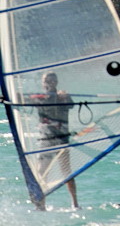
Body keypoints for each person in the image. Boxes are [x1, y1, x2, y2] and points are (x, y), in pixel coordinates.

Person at [29, 71, 79, 210]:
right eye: (46, 81)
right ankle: (41, 204)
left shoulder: (63, 96)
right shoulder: (40, 98)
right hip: (45, 140)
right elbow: (26, 100)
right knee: (41, 172)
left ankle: (75, 203)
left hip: (61, 139)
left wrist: (66, 96)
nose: (49, 84)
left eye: (52, 81)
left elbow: (71, 104)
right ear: (42, 83)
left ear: (56, 82)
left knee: (66, 171)